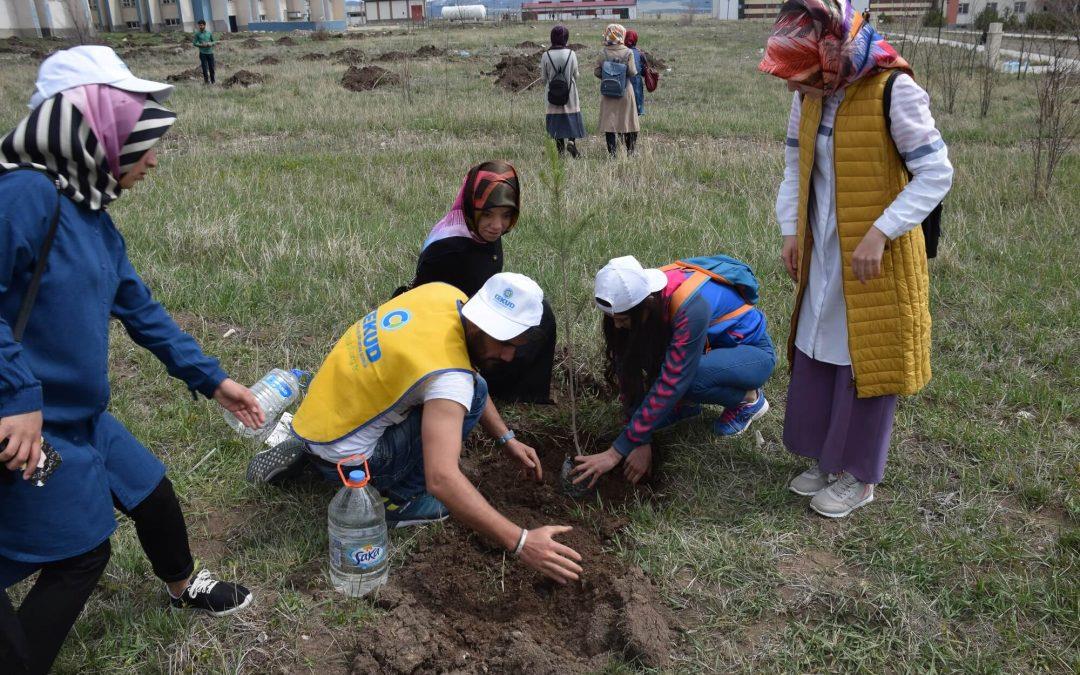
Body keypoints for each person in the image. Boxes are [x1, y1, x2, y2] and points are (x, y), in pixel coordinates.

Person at [0, 46, 262, 674]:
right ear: (95, 135)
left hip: (79, 416)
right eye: (138, 141)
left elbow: (140, 311)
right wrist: (17, 395)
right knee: (80, 555)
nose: (151, 160)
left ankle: (182, 587)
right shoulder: (26, 197)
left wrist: (214, 379)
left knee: (150, 489)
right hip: (28, 421)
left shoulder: (92, 218)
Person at [247, 274, 584, 584]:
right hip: (353, 462)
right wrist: (522, 541)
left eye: (517, 346)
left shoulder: (443, 296)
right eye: (506, 343)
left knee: (471, 389)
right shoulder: (450, 378)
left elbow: (469, 378)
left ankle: (311, 450)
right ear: (483, 325)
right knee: (465, 400)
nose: (509, 356)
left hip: (322, 415)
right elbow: (442, 479)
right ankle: (399, 502)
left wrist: (506, 439)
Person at [760, 0, 953, 517]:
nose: (791, 88)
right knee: (820, 344)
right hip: (823, 248)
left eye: (798, 76)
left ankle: (859, 475)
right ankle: (827, 458)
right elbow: (795, 166)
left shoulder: (893, 89)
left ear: (829, 57)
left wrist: (880, 232)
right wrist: (789, 230)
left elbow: (936, 174)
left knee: (864, 358)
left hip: (876, 258)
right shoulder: (811, 93)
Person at [571, 256, 776, 489]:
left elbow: (673, 380)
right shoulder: (642, 298)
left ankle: (748, 401)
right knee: (647, 353)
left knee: (688, 379)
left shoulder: (690, 306)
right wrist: (641, 438)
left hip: (751, 354)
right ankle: (686, 406)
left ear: (644, 306)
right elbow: (626, 366)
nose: (617, 326)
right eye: (613, 320)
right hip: (707, 349)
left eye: (623, 320)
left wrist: (616, 452)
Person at [396, 162, 556, 404]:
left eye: (505, 215)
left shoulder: (480, 234)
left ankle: (519, 395)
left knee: (540, 314)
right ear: (472, 207)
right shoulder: (448, 248)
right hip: (451, 334)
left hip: (478, 315)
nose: (497, 226)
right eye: (488, 215)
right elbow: (429, 312)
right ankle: (486, 392)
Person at [594, 23, 639, 157]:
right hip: (625, 90)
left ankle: (612, 155)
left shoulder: (603, 52)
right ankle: (630, 153)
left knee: (609, 124)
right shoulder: (628, 52)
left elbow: (597, 72)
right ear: (621, 34)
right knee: (629, 122)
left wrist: (608, 75)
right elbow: (632, 72)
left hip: (608, 92)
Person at [541, 25, 585, 158]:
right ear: (566, 38)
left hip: (553, 94)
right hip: (570, 92)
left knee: (557, 124)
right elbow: (576, 75)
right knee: (572, 118)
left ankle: (560, 154)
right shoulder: (572, 54)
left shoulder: (545, 55)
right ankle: (571, 141)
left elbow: (544, 78)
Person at [625, 30, 647, 117]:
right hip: (636, 82)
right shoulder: (640, 54)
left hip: (623, 83)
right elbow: (644, 72)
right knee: (637, 99)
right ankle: (639, 112)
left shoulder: (622, 52)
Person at [193, 20, 216, 85]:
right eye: (199, 25)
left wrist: (210, 43)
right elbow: (194, 43)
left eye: (202, 25)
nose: (200, 26)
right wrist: (201, 45)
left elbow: (214, 41)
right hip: (202, 53)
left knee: (211, 67)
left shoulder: (209, 33)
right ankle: (206, 81)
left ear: (204, 25)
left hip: (210, 53)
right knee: (204, 68)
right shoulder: (197, 34)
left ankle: (213, 81)